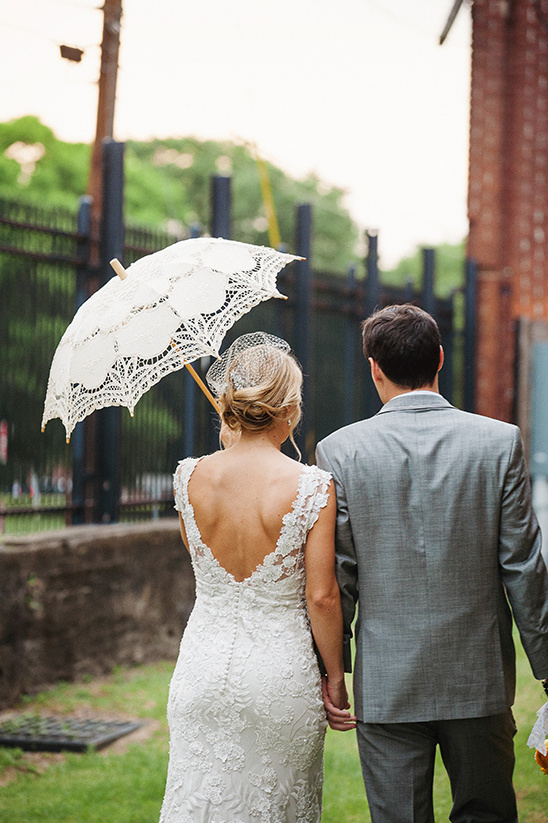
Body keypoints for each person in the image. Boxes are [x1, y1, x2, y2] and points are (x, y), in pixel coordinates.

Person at [316, 304, 548, 823]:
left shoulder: (339, 452)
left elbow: (338, 578)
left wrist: (332, 669)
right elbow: (524, 568)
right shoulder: (499, 442)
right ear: (441, 358)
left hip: (388, 682)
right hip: (479, 679)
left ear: (374, 367)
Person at [158, 332, 354, 823]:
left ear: (230, 406)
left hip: (201, 671)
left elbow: (207, 567)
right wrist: (334, 678)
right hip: (280, 676)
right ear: (289, 408)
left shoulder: (187, 476)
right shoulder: (313, 486)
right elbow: (322, 596)